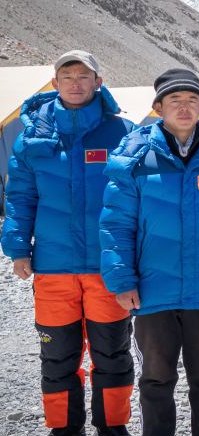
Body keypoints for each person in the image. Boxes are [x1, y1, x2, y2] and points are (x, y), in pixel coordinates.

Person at [100, 69, 199, 436]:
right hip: (153, 290)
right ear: (158, 107)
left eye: (192, 101)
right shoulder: (133, 159)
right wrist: (122, 280)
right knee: (156, 379)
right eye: (175, 101)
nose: (184, 108)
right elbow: (117, 225)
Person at [2, 51, 135, 436]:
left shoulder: (121, 132)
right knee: (57, 355)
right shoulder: (32, 137)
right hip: (53, 268)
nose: (75, 82)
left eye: (83, 75)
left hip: (105, 267)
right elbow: (20, 197)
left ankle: (112, 425)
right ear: (55, 82)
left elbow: (134, 198)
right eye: (67, 75)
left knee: (111, 353)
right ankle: (63, 427)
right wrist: (17, 248)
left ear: (98, 81)